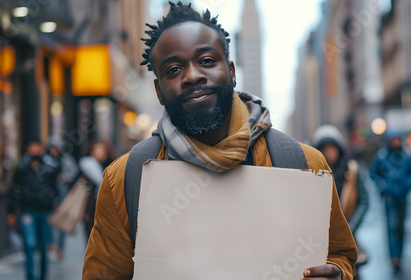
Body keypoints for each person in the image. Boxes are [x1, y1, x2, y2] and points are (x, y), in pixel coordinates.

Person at [82, 2, 357, 279]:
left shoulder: (305, 163)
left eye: (206, 61)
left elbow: (340, 254)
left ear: (233, 72)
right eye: (174, 69)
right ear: (158, 91)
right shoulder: (125, 179)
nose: (192, 76)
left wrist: (337, 272)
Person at [312, 125, 369, 279]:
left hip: (347, 234)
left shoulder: (352, 170)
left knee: (350, 271)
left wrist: (350, 227)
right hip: (320, 239)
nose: (330, 152)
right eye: (325, 148)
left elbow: (364, 201)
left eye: (333, 148)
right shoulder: (313, 172)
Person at [7, 139, 59, 280]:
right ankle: (30, 277)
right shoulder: (21, 168)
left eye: (37, 148)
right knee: (30, 244)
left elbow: (55, 187)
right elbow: (14, 190)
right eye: (32, 148)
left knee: (43, 246)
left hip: (45, 210)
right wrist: (11, 211)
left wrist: (54, 202)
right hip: (27, 210)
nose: (35, 151)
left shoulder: (48, 167)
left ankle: (43, 276)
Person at [369, 130, 411, 273]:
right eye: (393, 140)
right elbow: (373, 173)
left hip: (402, 196)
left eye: (398, 140)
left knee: (401, 226)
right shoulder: (382, 156)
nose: (396, 143)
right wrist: (383, 186)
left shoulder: (407, 156)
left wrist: (407, 186)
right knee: (391, 226)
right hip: (389, 197)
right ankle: (394, 257)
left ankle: (400, 255)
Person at [43, 136, 79, 260]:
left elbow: (74, 171)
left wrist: (65, 178)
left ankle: (60, 248)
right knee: (49, 220)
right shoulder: (46, 160)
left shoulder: (65, 159)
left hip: (62, 193)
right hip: (49, 195)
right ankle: (51, 245)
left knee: (61, 221)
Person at [78, 140, 114, 241]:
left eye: (101, 150)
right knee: (90, 236)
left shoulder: (111, 166)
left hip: (108, 207)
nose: (99, 152)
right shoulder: (86, 167)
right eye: (96, 150)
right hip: (90, 208)